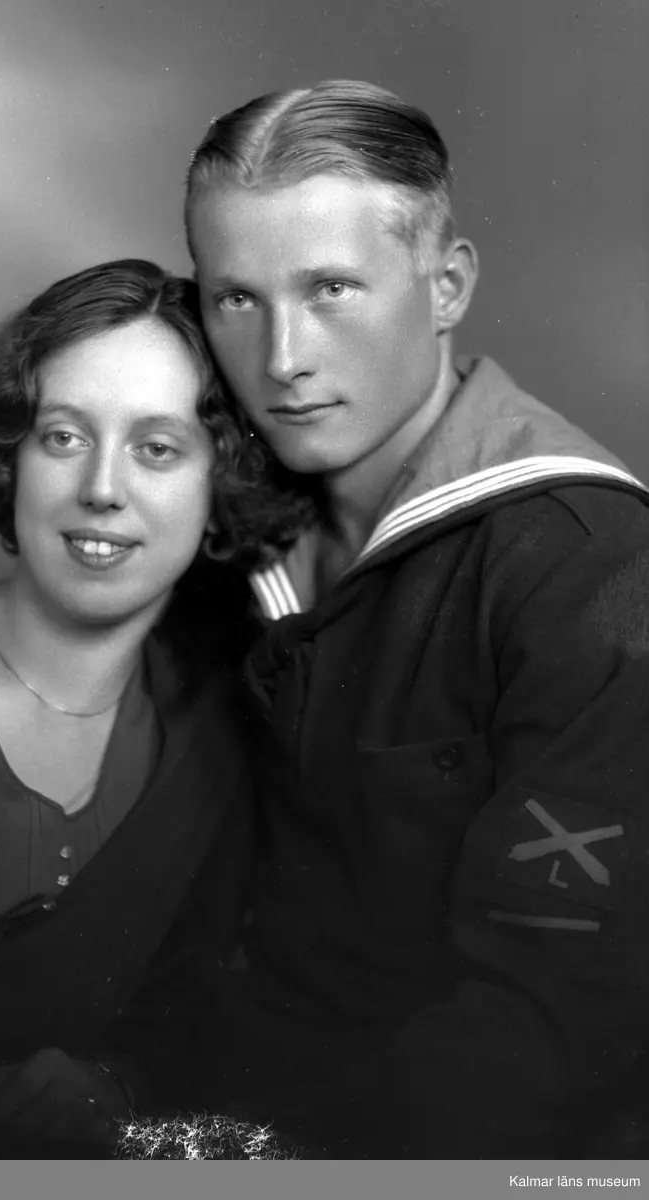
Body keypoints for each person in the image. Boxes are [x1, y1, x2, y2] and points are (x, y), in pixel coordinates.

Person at [183, 79, 649, 1157]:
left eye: (332, 288)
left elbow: (547, 1022)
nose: (282, 358)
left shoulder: (592, 566)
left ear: (447, 287)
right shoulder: (213, 531)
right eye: (234, 298)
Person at [0, 259, 298, 1158]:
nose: (101, 487)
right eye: (63, 437)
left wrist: (113, 1079)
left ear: (222, 484)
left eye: (157, 448)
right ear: (9, 459)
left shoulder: (213, 733)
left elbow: (200, 1007)